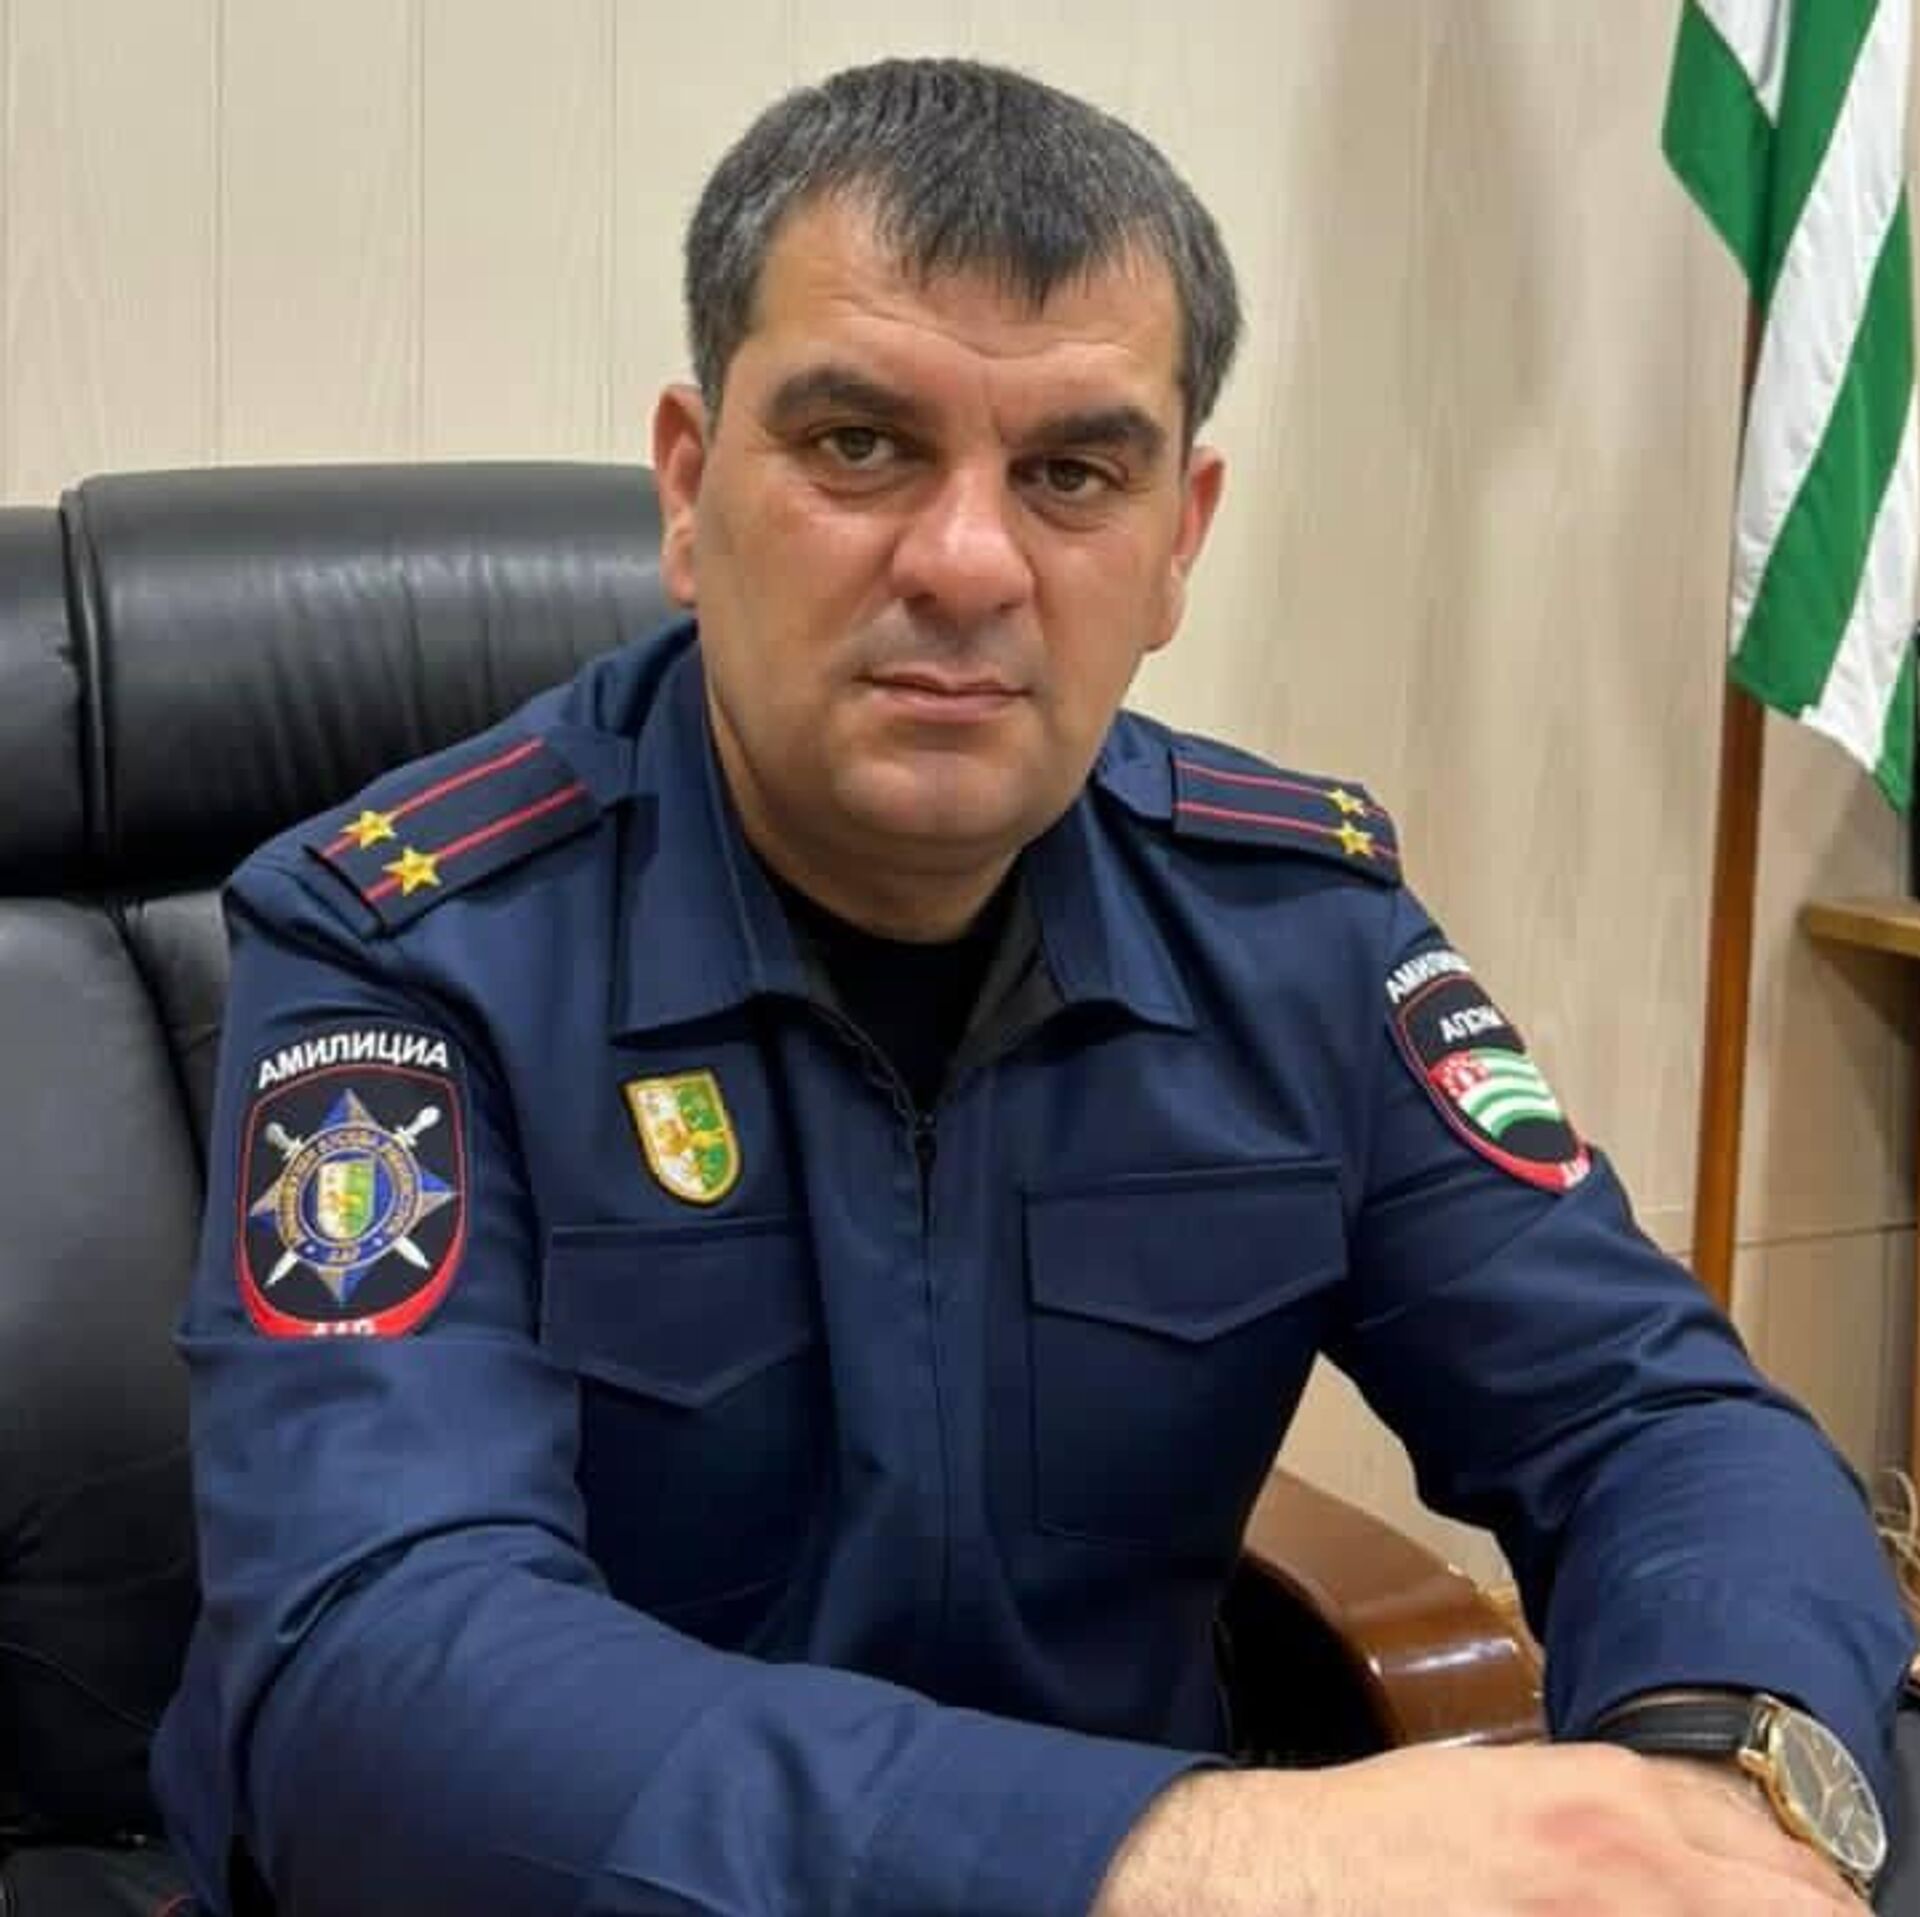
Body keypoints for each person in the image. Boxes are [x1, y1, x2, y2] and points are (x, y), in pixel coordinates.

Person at [153, 56, 1914, 1916]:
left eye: (1073, 472)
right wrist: (1214, 1852)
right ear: (687, 485)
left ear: (1178, 540)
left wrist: (1728, 1783)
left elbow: (1652, 1419)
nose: (968, 561)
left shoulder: (1296, 932)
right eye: (859, 446)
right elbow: (378, 1677)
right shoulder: (408, 950)